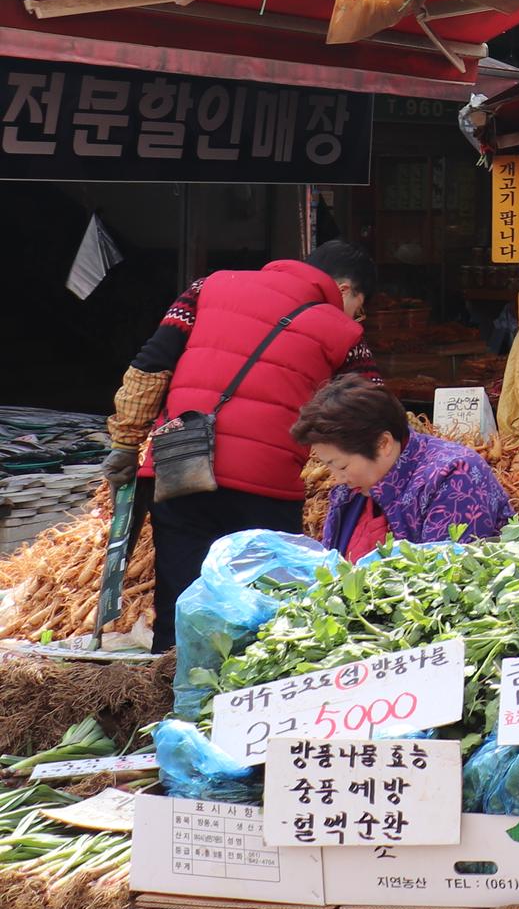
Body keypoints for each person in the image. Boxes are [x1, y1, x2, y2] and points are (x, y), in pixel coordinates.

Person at [109, 240, 377, 652]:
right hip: (267, 484)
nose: (358, 315)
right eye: (359, 303)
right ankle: (247, 697)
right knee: (264, 606)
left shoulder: (208, 287)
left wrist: (125, 443)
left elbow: (152, 363)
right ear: (344, 289)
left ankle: (174, 695)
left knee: (180, 597)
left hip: (182, 464)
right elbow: (368, 411)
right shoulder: (343, 331)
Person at [295, 377, 512, 560]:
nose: (337, 479)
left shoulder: (454, 475)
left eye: (341, 466)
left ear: (383, 444)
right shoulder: (350, 491)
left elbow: (444, 582)